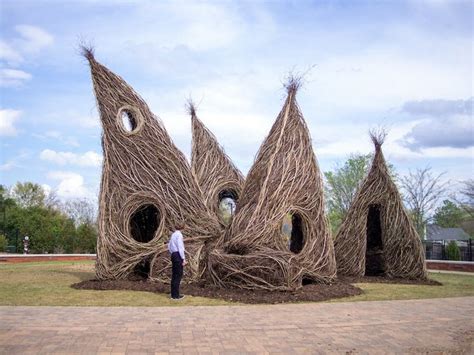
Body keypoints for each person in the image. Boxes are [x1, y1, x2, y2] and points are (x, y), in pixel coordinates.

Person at [168, 222, 187, 300]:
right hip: (178, 255)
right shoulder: (179, 235)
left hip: (173, 254)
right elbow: (180, 247)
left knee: (174, 275)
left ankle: (173, 294)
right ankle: (176, 296)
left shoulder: (173, 235)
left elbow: (169, 246)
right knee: (178, 275)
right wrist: (183, 259)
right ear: (183, 227)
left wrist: (172, 253)